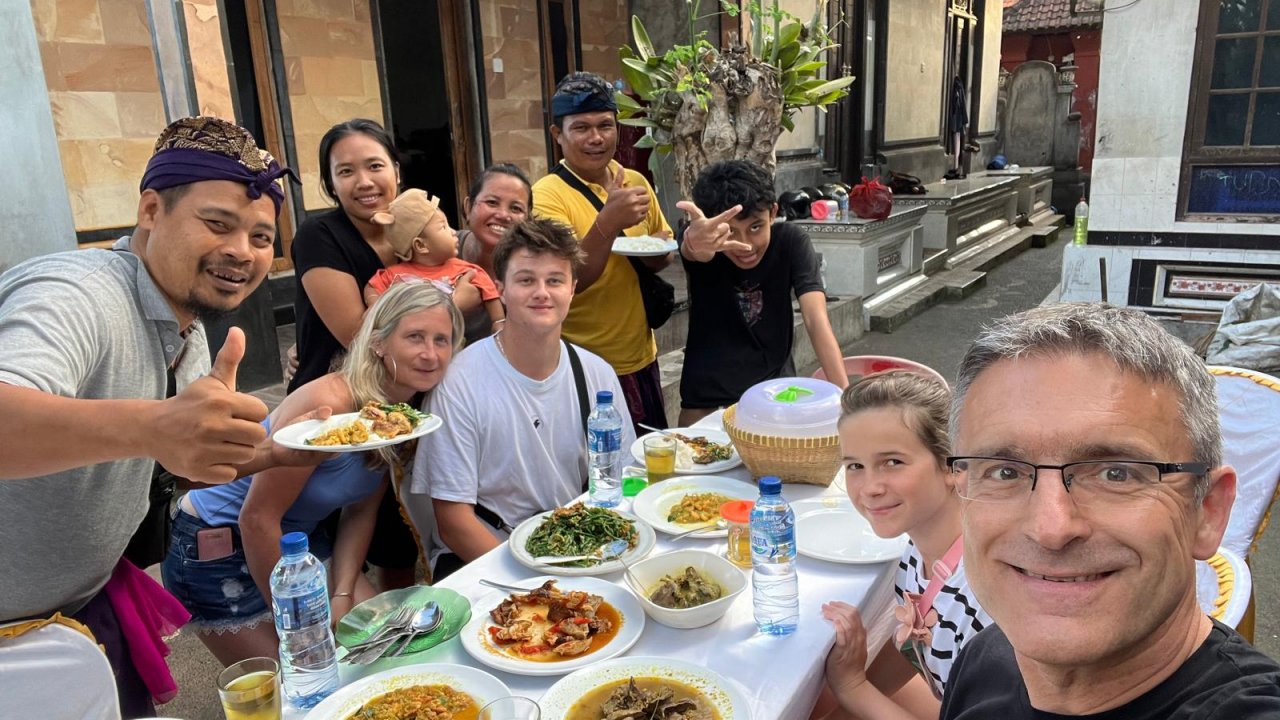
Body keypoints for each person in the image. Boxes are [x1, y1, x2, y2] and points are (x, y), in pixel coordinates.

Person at [0, 116, 308, 715]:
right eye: (217, 223)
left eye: (261, 237)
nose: (241, 251)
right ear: (150, 210)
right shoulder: (77, 293)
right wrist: (154, 425)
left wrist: (281, 453)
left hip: (78, 614)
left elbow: (174, 461)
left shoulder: (187, 327)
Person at [939, 303, 1280, 718]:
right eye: (1005, 472)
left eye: (1116, 474)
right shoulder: (986, 658)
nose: (1051, 528)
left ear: (1207, 510)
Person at [162, 282, 462, 666]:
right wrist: (303, 628)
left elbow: (360, 512)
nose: (430, 354)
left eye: (441, 340)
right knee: (305, 674)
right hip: (215, 544)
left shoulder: (401, 416)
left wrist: (341, 594)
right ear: (378, 343)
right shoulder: (331, 404)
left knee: (387, 653)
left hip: (298, 542)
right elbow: (256, 518)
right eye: (415, 337)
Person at [409, 217, 636, 579]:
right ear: (500, 288)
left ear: (572, 289)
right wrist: (537, 585)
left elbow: (622, 479)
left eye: (555, 280)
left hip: (577, 550)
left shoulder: (597, 374)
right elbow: (453, 522)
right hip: (487, 556)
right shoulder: (459, 382)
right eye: (526, 280)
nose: (542, 292)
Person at [288, 118, 439, 588]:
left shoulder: (416, 232)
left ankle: (391, 619)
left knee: (396, 541)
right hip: (335, 408)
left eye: (375, 166)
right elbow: (358, 333)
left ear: (396, 170)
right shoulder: (320, 236)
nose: (364, 181)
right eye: (346, 171)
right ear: (330, 184)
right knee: (324, 540)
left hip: (401, 406)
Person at [820, 371, 990, 720]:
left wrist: (853, 687)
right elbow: (915, 641)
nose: (869, 488)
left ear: (953, 465)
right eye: (855, 465)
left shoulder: (987, 595)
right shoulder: (916, 553)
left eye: (892, 462)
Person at [531, 71, 673, 431]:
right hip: (580, 363)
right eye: (581, 128)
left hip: (641, 356)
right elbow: (568, 280)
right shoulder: (546, 196)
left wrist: (657, 248)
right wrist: (608, 222)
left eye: (605, 126)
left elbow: (662, 254)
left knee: (644, 453)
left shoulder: (634, 181)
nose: (596, 138)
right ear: (557, 134)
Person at [676, 159, 848, 425]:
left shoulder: (790, 242)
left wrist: (848, 404)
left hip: (775, 399)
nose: (745, 245)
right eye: (730, 232)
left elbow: (815, 319)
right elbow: (693, 250)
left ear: (773, 213)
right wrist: (693, 241)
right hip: (706, 403)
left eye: (755, 227)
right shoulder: (704, 242)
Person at [364, 188, 504, 335]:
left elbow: (490, 292)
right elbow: (371, 286)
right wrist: (375, 305)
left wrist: (498, 321)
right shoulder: (396, 275)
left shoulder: (465, 270)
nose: (453, 232)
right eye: (443, 227)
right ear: (421, 245)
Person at [457, 163, 533, 345]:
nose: (503, 215)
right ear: (468, 207)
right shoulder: (435, 251)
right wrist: (453, 305)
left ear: (528, 220)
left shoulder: (532, 271)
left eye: (516, 208)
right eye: (492, 203)